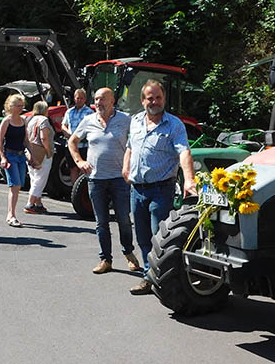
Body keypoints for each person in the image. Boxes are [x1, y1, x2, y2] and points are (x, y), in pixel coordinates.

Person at [123, 80, 197, 294]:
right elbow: (129, 147)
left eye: (158, 98)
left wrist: (189, 179)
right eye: (150, 98)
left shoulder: (174, 125)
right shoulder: (136, 121)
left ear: (164, 99)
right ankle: (149, 276)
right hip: (137, 190)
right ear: (142, 100)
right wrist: (125, 166)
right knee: (143, 237)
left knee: (161, 237)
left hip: (161, 190)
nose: (154, 102)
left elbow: (184, 152)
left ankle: (165, 280)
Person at [68, 87, 140, 274]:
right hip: (96, 179)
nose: (98, 103)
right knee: (101, 222)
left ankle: (129, 254)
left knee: (124, 219)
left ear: (112, 100)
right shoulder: (88, 120)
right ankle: (105, 260)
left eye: (102, 99)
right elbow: (72, 142)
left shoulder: (125, 120)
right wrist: (79, 161)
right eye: (96, 99)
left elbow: (138, 140)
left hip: (119, 178)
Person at [0, 93, 30, 227]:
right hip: (10, 156)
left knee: (19, 185)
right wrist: (3, 157)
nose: (21, 108)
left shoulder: (23, 121)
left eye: (22, 106)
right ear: (11, 106)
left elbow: (26, 140)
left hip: (21, 155)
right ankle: (11, 215)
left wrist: (31, 154)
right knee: (14, 185)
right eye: (18, 106)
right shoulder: (6, 121)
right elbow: (0, 141)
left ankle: (11, 213)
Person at [24, 99, 53, 214]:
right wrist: (49, 151)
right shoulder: (44, 120)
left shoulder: (29, 119)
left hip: (30, 152)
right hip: (41, 153)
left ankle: (38, 203)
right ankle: (30, 203)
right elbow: (44, 137)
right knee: (40, 178)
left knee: (34, 177)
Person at [62, 88, 91, 186]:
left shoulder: (89, 112)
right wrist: (68, 134)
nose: (79, 100)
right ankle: (75, 190)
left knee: (83, 168)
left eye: (81, 98)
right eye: (77, 98)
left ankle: (82, 190)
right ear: (74, 98)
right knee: (73, 168)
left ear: (85, 99)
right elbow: (63, 125)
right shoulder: (69, 112)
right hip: (71, 146)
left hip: (84, 145)